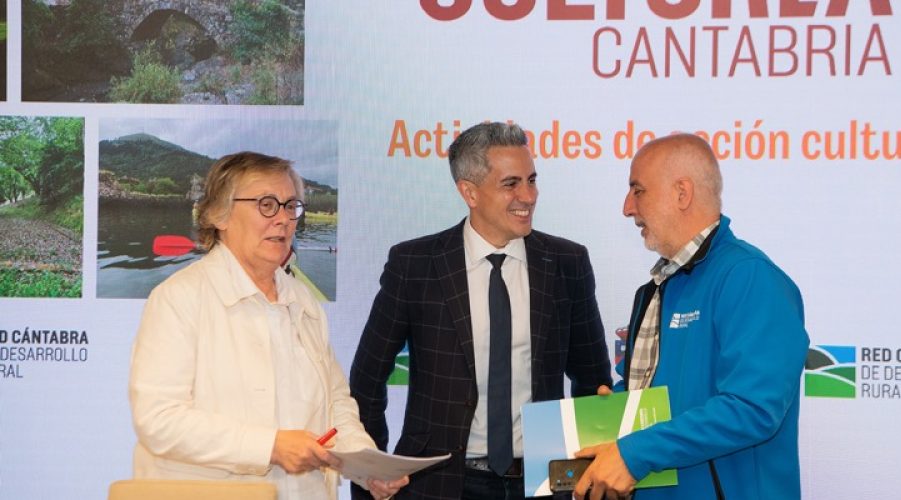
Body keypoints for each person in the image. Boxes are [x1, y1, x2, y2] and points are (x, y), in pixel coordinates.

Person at [350, 122, 612, 500]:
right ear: (469, 192)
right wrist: (373, 475)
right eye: (511, 184)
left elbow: (593, 380)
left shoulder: (567, 262)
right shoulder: (415, 264)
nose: (528, 196)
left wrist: (590, 480)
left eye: (531, 180)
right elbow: (367, 380)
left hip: (541, 483)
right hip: (437, 485)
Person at [129, 152, 409, 500]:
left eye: (291, 206)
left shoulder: (302, 300)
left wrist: (366, 465)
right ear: (219, 215)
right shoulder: (178, 298)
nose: (284, 219)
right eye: (266, 205)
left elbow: (335, 402)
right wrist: (270, 446)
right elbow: (159, 419)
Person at [573, 134, 810, 500]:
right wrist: (619, 408)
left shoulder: (750, 278)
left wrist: (635, 454)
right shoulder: (655, 288)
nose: (627, 207)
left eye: (638, 190)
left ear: (682, 193)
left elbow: (753, 408)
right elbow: (668, 396)